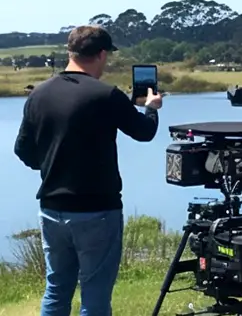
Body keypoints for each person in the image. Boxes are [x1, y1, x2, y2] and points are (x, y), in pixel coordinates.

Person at [13, 25, 164, 316]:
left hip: (52, 207)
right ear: (102, 54)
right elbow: (144, 133)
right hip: (97, 210)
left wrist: (49, 164)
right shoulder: (107, 94)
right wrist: (152, 107)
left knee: (56, 290)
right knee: (94, 296)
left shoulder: (39, 94)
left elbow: (23, 150)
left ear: (71, 52)